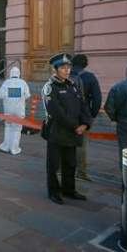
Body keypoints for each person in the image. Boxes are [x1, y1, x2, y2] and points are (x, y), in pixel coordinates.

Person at [42, 53, 92, 205]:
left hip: (73, 132)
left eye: (68, 67)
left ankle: (69, 190)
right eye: (63, 68)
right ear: (55, 69)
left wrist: (85, 123)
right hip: (56, 132)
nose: (67, 70)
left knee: (70, 163)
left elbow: (83, 105)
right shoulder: (50, 87)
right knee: (54, 165)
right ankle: (54, 192)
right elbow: (56, 112)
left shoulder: (72, 85)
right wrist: (76, 126)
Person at [71, 54, 102, 181]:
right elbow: (97, 98)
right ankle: (81, 172)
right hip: (83, 115)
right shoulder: (90, 77)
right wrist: (91, 115)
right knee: (81, 144)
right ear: (85, 64)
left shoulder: (65, 75)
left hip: (66, 114)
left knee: (64, 142)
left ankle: (61, 169)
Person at [0, 67, 31, 155]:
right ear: (19, 73)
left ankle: (6, 146)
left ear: (11, 73)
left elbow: (0, 95)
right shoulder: (23, 83)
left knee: (8, 128)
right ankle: (14, 148)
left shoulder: (6, 82)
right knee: (17, 129)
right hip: (19, 110)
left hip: (8, 110)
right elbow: (27, 95)